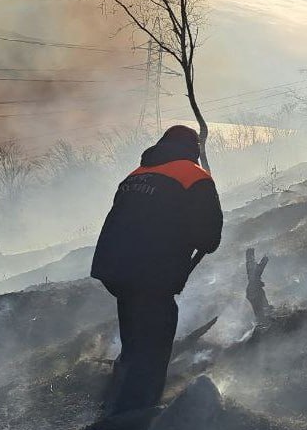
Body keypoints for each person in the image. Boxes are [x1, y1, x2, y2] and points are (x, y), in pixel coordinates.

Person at [91, 125, 223, 414]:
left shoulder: (135, 175)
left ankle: (116, 401)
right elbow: (209, 238)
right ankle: (137, 413)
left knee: (134, 338)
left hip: (115, 270)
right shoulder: (195, 177)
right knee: (154, 342)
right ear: (195, 150)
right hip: (152, 273)